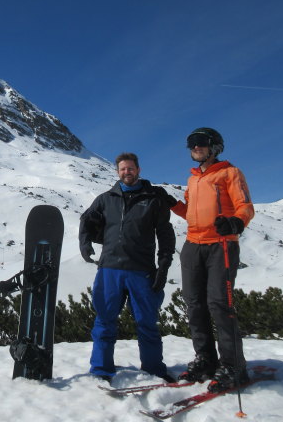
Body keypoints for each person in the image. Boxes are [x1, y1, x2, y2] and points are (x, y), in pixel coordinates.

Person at [169, 127, 255, 393]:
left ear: (215, 146)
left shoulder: (230, 173)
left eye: (201, 142)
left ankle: (233, 366)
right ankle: (206, 360)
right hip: (193, 245)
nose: (195, 147)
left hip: (221, 245)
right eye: (191, 142)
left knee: (219, 304)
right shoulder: (193, 179)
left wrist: (235, 223)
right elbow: (191, 215)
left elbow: (245, 207)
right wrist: (172, 204)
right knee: (195, 305)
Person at [79, 152, 176, 383]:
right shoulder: (106, 198)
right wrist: (85, 243)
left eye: (130, 168)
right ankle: (101, 370)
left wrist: (163, 265)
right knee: (104, 320)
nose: (127, 172)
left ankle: (154, 369)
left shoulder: (153, 198)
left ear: (138, 170)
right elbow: (87, 218)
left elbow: (165, 233)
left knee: (147, 322)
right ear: (117, 172)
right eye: (122, 169)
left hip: (141, 269)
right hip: (109, 269)